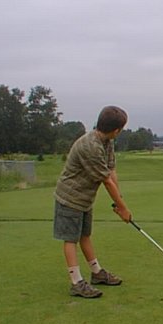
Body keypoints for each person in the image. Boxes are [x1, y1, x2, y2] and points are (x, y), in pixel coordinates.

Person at [53, 105, 132, 298]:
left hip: (85, 198)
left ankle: (97, 273)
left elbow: (111, 169)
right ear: (116, 130)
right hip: (69, 197)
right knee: (71, 238)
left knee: (85, 235)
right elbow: (105, 179)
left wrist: (119, 200)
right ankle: (76, 282)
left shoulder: (107, 142)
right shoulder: (90, 146)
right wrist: (123, 209)